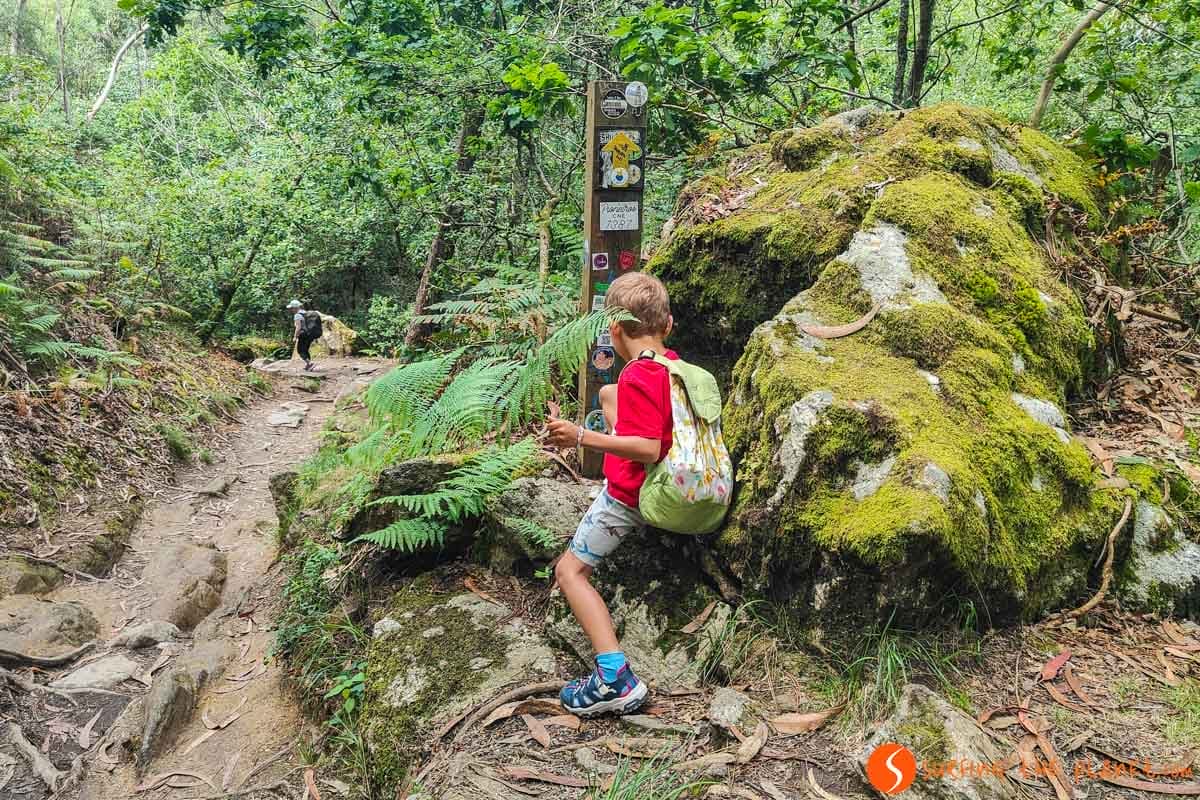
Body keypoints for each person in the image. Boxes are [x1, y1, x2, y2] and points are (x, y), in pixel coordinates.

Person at [545, 272, 678, 717]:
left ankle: (614, 676)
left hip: (627, 495)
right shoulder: (671, 365)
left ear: (615, 331)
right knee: (608, 392)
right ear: (668, 325)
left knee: (569, 572)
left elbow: (647, 447)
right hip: (671, 484)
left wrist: (582, 436)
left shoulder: (639, 374)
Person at [287, 299, 322, 371]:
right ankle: (308, 365)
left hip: (303, 335)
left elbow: (298, 327)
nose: (291, 310)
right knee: (305, 349)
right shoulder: (305, 313)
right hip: (310, 335)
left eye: (291, 308)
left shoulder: (297, 315)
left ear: (295, 308)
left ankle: (310, 363)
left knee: (300, 350)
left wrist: (295, 337)